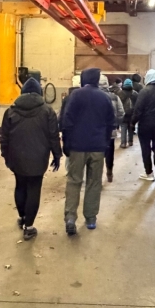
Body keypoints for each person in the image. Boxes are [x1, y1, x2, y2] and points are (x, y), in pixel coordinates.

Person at [0, 78, 62, 240]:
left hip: (17, 157)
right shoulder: (48, 111)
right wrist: (57, 154)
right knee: (34, 188)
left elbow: (4, 137)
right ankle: (29, 226)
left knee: (20, 185)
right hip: (39, 157)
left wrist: (6, 155)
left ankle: (22, 217)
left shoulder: (10, 111)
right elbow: (53, 136)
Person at [60, 67, 115, 234]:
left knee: (74, 180)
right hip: (97, 147)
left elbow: (66, 121)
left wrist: (66, 143)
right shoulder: (105, 98)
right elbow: (110, 124)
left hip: (77, 146)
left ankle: (70, 217)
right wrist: (105, 143)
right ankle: (90, 218)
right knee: (94, 182)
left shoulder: (74, 96)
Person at [132, 69, 155, 182]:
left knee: (146, 147)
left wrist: (132, 122)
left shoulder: (144, 91)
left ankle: (149, 173)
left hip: (145, 124)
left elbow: (138, 109)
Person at [99, 74, 124, 182]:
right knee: (110, 151)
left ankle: (97, 175)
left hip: (96, 131)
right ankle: (109, 170)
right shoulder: (114, 97)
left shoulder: (93, 97)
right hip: (111, 129)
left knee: (97, 153)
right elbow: (121, 113)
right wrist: (116, 123)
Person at [117, 78, 136, 148]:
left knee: (123, 127)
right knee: (131, 127)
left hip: (123, 113)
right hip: (132, 113)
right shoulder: (135, 93)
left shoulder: (120, 93)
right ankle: (130, 142)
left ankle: (123, 143)